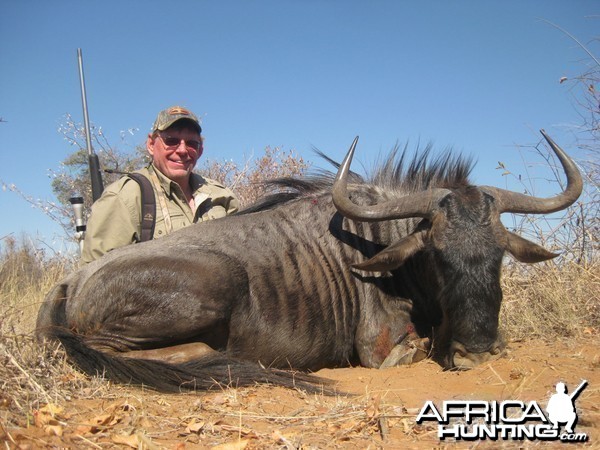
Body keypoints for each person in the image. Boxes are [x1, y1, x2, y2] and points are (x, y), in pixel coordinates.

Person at [82, 106, 239, 263]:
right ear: (151, 144)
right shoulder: (124, 197)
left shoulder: (221, 195)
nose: (183, 150)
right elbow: (96, 279)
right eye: (171, 141)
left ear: (200, 150)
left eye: (192, 143)